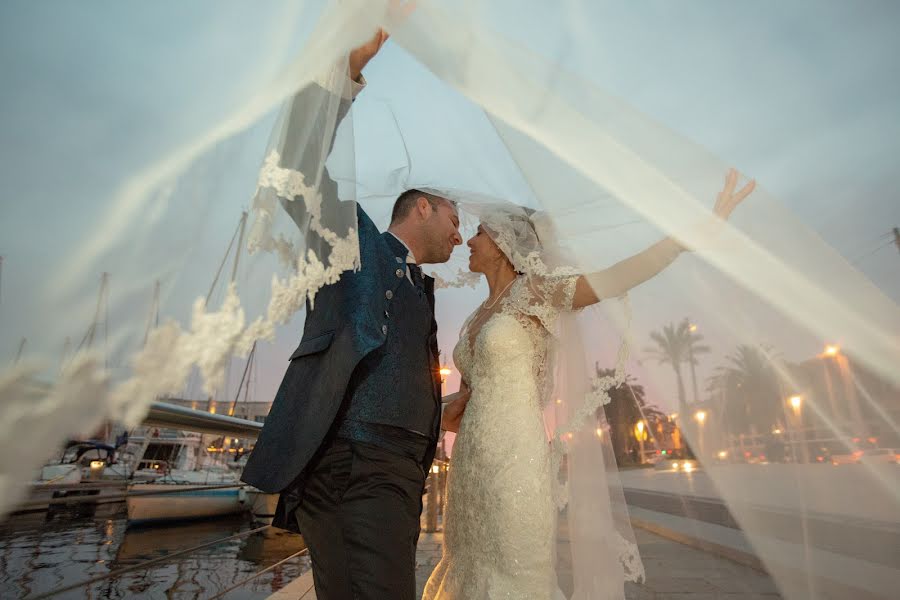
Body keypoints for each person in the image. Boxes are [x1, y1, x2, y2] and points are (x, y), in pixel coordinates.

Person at [428, 172, 755, 599]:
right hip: (471, 461)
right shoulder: (477, 315)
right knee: (469, 563)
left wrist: (689, 237)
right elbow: (468, 398)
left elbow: (615, 278)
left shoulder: (537, 292)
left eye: (480, 234)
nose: (469, 242)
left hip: (515, 460)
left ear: (506, 243)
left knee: (514, 567)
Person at [241, 31, 463, 600]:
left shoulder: (422, 287)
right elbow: (297, 167)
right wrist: (345, 71)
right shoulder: (353, 241)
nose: (461, 236)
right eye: (455, 220)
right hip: (352, 467)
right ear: (423, 207)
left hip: (394, 479)